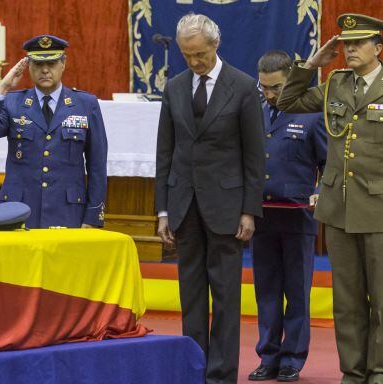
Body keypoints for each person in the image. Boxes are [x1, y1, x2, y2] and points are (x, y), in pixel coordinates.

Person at [276, 14, 383, 384]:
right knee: (346, 301)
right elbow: (288, 103)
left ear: (378, 48)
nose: (348, 49)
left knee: (381, 299)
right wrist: (311, 65)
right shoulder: (335, 84)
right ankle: (353, 370)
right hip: (339, 207)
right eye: (345, 43)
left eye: (357, 43)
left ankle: (381, 372)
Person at [155, 13, 265, 384]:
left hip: (227, 208)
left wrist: (250, 210)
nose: (194, 62)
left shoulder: (244, 86)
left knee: (225, 298)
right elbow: (164, 154)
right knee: (191, 297)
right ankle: (193, 370)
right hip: (185, 206)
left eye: (199, 54)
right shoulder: (174, 88)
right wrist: (163, 210)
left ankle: (221, 375)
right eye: (187, 56)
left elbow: (254, 155)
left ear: (215, 45)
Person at [0, 35, 108, 229]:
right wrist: (2, 88)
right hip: (19, 210)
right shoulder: (12, 102)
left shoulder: (85, 104)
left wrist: (93, 216)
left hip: (67, 211)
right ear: (28, 67)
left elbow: (97, 165)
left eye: (51, 63)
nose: (45, 70)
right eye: (37, 64)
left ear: (63, 64)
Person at [248, 50, 326, 382]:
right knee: (265, 291)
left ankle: (293, 358)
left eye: (276, 87)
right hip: (261, 215)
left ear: (290, 78)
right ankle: (268, 355)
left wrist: (322, 193)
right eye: (264, 87)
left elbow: (328, 162)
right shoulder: (254, 113)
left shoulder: (311, 114)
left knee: (296, 292)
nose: (269, 94)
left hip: (297, 215)